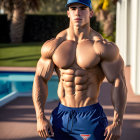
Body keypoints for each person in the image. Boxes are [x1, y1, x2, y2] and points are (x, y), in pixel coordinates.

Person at [32, 0, 127, 139]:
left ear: (91, 13)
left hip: (90, 117)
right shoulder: (54, 46)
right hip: (61, 116)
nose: (78, 12)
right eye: (73, 8)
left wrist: (117, 123)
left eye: (83, 8)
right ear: (68, 13)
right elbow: (40, 78)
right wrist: (40, 117)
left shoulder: (101, 47)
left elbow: (119, 81)